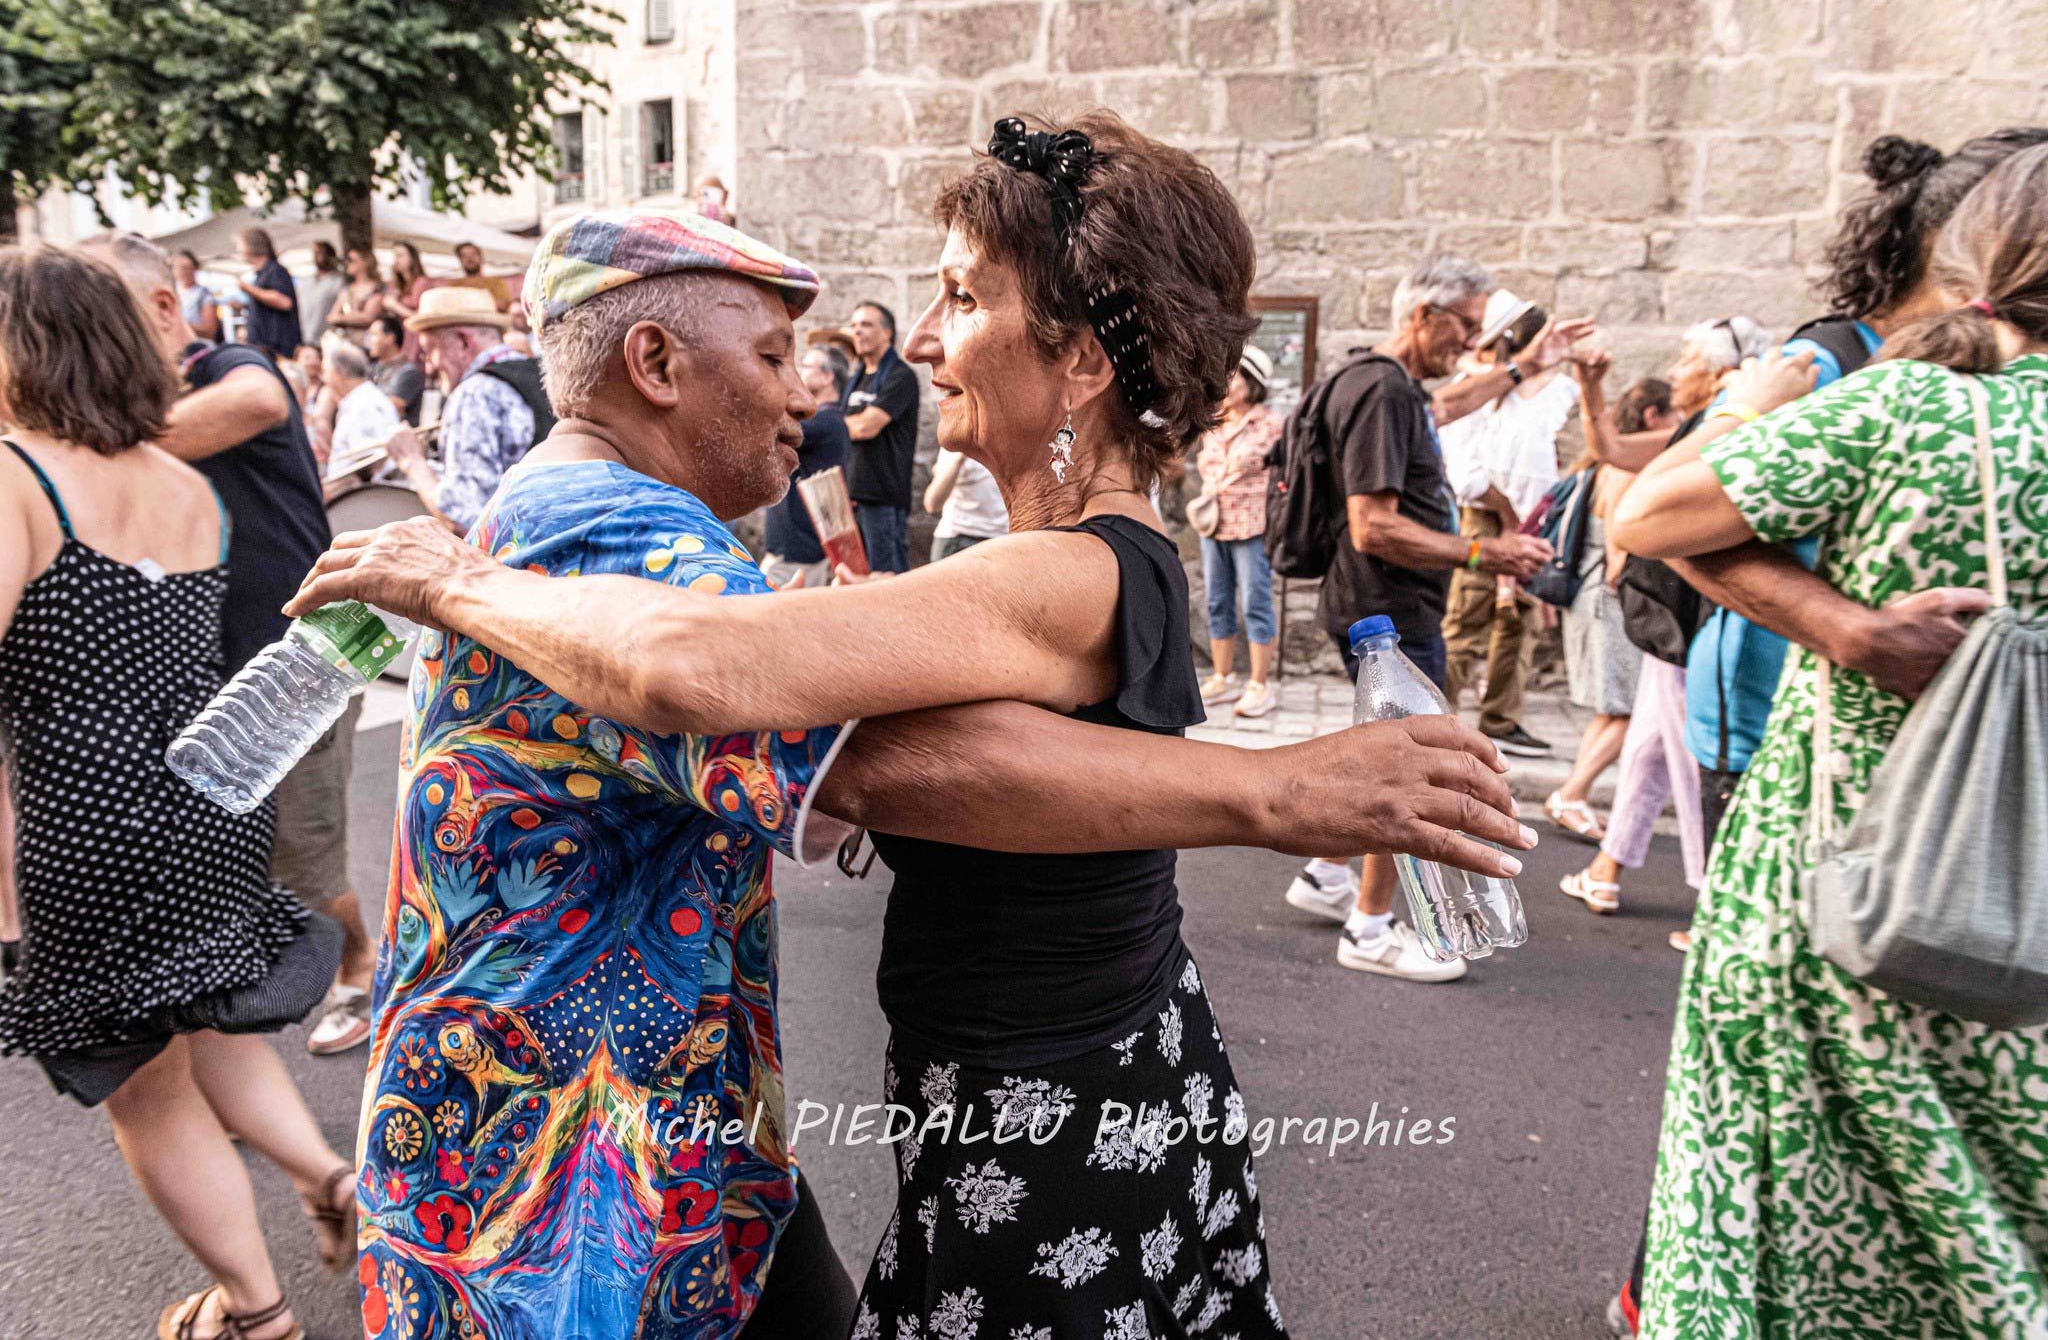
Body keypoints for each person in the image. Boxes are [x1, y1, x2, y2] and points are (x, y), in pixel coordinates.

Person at [287, 124, 1532, 1340]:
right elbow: (862, 755)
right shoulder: (1072, 555)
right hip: (1005, 1091)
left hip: (1037, 1119)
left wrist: (446, 581)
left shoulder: (1061, 570)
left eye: (960, 299)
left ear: (1081, 362)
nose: (923, 342)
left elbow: (718, 678)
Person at [1597, 127, 2045, 1340]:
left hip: (1844, 888)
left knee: (1782, 1209)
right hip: (2030, 907)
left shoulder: (1912, 409)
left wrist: (1841, 624)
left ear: (1973, 268)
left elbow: (1646, 513)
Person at [0, 243, 354, 1340]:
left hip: (81, 822)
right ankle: (338, 1187)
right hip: (207, 810)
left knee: (146, 1090)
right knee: (214, 1036)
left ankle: (253, 1311)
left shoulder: (18, 475)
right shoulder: (181, 486)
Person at [79, 232, 380, 1060]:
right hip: (201, 677)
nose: (87, 335)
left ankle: (361, 962)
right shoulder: (129, 415)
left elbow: (260, 402)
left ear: (164, 308)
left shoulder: (225, 365)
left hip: (298, 661)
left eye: (102, 313)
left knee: (302, 869)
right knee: (215, 865)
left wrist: (86, 449)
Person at [1285, 253, 1554, 983]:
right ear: (1423, 315)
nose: (1469, 344)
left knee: (1378, 750)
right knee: (1410, 772)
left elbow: (1445, 407)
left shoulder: (1385, 384)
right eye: (1463, 328)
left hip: (1375, 607)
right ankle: (1368, 930)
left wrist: (1522, 370)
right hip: (1389, 616)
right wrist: (1483, 552)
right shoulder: (1382, 392)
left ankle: (1325, 874)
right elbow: (1375, 526)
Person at [1544, 316, 1767, 916]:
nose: (1673, 371)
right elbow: (1609, 451)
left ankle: (1713, 904)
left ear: (1724, 372)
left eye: (1687, 359)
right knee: (1646, 749)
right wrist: (1591, 385)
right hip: (1668, 620)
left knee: (1692, 762)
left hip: (1696, 623)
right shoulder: (1702, 426)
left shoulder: (1734, 427)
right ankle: (1604, 871)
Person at [1437, 291, 1581, 758]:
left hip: (1529, 517)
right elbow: (1466, 475)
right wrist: (1507, 517)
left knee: (1518, 621)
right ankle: (1435, 718)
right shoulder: (1476, 391)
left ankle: (1500, 717)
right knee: (1468, 617)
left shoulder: (1546, 393)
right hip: (1487, 515)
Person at [1543, 378, 1672, 850]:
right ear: (1654, 417)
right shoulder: (1627, 470)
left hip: (1595, 596)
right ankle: (1571, 793)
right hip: (1610, 599)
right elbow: (1620, 547)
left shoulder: (1606, 465)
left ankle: (1573, 793)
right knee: (1630, 708)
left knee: (1613, 707)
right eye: (1673, 416)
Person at [385, 286, 536, 531]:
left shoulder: (474, 394)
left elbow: (466, 520)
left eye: (430, 350)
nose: (431, 366)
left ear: (463, 342)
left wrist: (411, 460)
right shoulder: (542, 374)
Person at [1195, 344, 1284, 718]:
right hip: (1214, 525)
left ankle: (1259, 685)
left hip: (1252, 524)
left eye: (1236, 377)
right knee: (1217, 600)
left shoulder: (1270, 423)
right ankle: (1222, 676)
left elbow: (1271, 469)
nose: (1227, 384)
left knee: (1256, 602)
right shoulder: (1213, 421)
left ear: (1253, 383)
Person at [762, 342, 853, 588]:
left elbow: (770, 430)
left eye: (805, 365)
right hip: (792, 550)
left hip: (799, 552)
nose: (799, 372)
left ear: (827, 376)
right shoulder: (827, 422)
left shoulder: (828, 423)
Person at [843, 299, 921, 573]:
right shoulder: (857, 378)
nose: (857, 331)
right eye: (854, 326)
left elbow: (866, 427)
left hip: (882, 501)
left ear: (887, 332)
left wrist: (840, 426)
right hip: (852, 499)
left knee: (887, 581)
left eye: (866, 324)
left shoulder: (900, 376)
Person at [320, 341, 401, 498]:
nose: (323, 378)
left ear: (337, 373)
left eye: (325, 371)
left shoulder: (365, 405)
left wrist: (327, 491)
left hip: (365, 501)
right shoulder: (359, 400)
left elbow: (370, 462)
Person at [924, 444, 1010, 559]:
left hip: (1002, 540)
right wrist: (959, 459)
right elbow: (932, 504)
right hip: (959, 540)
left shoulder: (1014, 442)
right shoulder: (957, 443)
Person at [234, 228, 301, 361]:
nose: (237, 250)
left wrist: (249, 289)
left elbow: (284, 302)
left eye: (239, 245)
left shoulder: (276, 270)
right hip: (265, 348)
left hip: (277, 350)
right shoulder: (262, 274)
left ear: (251, 246)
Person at [366, 312, 425, 424]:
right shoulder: (371, 369)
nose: (368, 341)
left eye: (373, 335)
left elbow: (393, 408)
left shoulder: (409, 372)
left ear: (390, 338)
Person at [323, 246, 387, 346]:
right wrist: (354, 317)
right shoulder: (347, 289)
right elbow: (331, 317)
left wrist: (342, 318)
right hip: (346, 343)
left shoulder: (377, 289)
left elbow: (368, 318)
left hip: (368, 344)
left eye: (351, 260)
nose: (347, 263)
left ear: (365, 262)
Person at [296, 240, 345, 347]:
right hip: (302, 337)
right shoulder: (305, 281)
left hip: (324, 340)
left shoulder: (339, 281)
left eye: (320, 252)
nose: (316, 256)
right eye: (314, 253)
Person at [444, 240, 512, 311]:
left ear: (481, 258)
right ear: (460, 260)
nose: (469, 259)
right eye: (464, 256)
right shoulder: (455, 285)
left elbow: (503, 305)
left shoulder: (495, 282)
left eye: (473, 254)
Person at [173, 248, 221, 341]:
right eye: (178, 268)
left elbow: (209, 331)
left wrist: (179, 324)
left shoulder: (204, 294)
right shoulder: (173, 293)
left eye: (186, 268)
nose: (182, 272)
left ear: (195, 269)